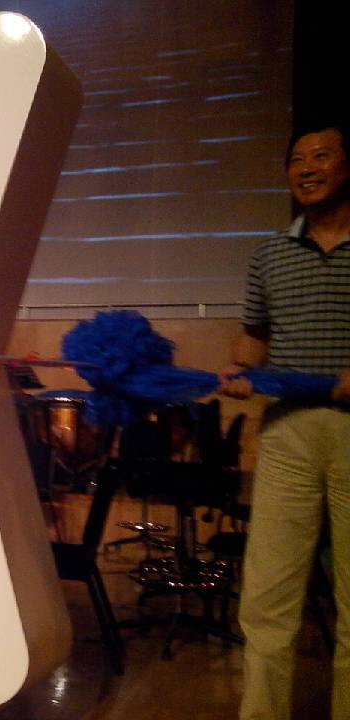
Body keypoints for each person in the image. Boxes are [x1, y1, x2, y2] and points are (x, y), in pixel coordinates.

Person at [220, 122, 350, 719]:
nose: (307, 168)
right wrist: (239, 369)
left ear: (346, 166)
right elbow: (253, 338)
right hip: (287, 433)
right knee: (267, 598)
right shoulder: (271, 254)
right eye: (297, 159)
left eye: (322, 155)